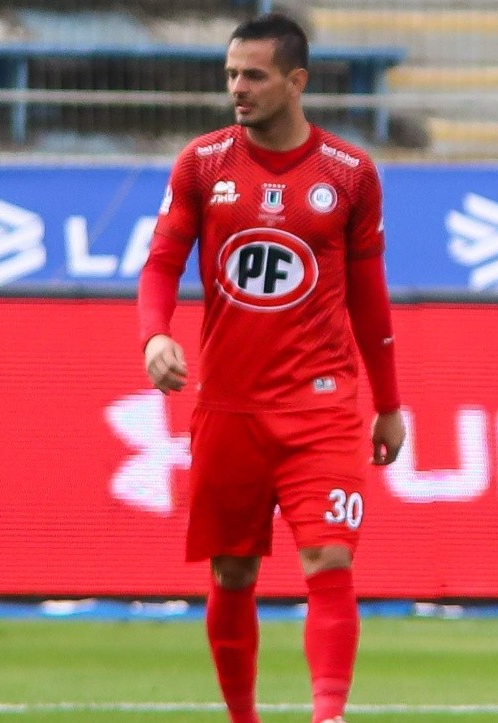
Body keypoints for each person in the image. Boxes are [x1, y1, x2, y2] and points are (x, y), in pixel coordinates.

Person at [136, 14, 405, 723]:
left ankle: (328, 714)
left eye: (253, 75)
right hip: (228, 404)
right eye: (230, 75)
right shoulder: (202, 163)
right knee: (232, 571)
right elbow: (161, 262)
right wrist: (152, 337)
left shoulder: (349, 175)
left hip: (321, 403)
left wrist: (389, 403)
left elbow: (371, 302)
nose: (237, 89)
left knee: (328, 558)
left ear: (296, 81)